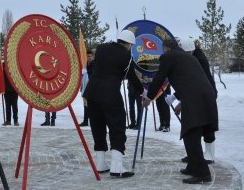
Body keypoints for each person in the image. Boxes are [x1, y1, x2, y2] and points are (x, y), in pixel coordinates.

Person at [143, 38, 218, 185]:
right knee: (192, 134)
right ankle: (192, 167)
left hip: (195, 99)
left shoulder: (168, 57)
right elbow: (191, 81)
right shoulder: (188, 57)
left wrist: (149, 98)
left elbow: (159, 78)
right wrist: (182, 102)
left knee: (191, 135)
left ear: (165, 48)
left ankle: (202, 173)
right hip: (205, 97)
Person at [82, 29, 144, 178]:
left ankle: (101, 163)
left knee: (98, 127)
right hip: (110, 95)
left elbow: (95, 67)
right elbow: (133, 77)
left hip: (91, 93)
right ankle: (117, 167)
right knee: (117, 127)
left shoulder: (102, 49)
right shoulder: (126, 56)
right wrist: (143, 90)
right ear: (129, 44)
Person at [170, 38, 218, 164]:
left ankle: (209, 154)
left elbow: (194, 83)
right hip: (195, 95)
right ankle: (194, 154)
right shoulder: (190, 57)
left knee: (207, 125)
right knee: (194, 125)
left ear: (191, 50)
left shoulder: (199, 59)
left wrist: (178, 99)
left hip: (206, 94)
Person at [79, 50, 94, 127]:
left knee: (91, 105)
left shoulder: (94, 65)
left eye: (91, 56)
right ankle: (85, 121)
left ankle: (92, 121)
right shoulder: (85, 65)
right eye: (88, 56)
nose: (89, 58)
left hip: (92, 88)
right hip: (85, 87)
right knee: (85, 105)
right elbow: (82, 76)